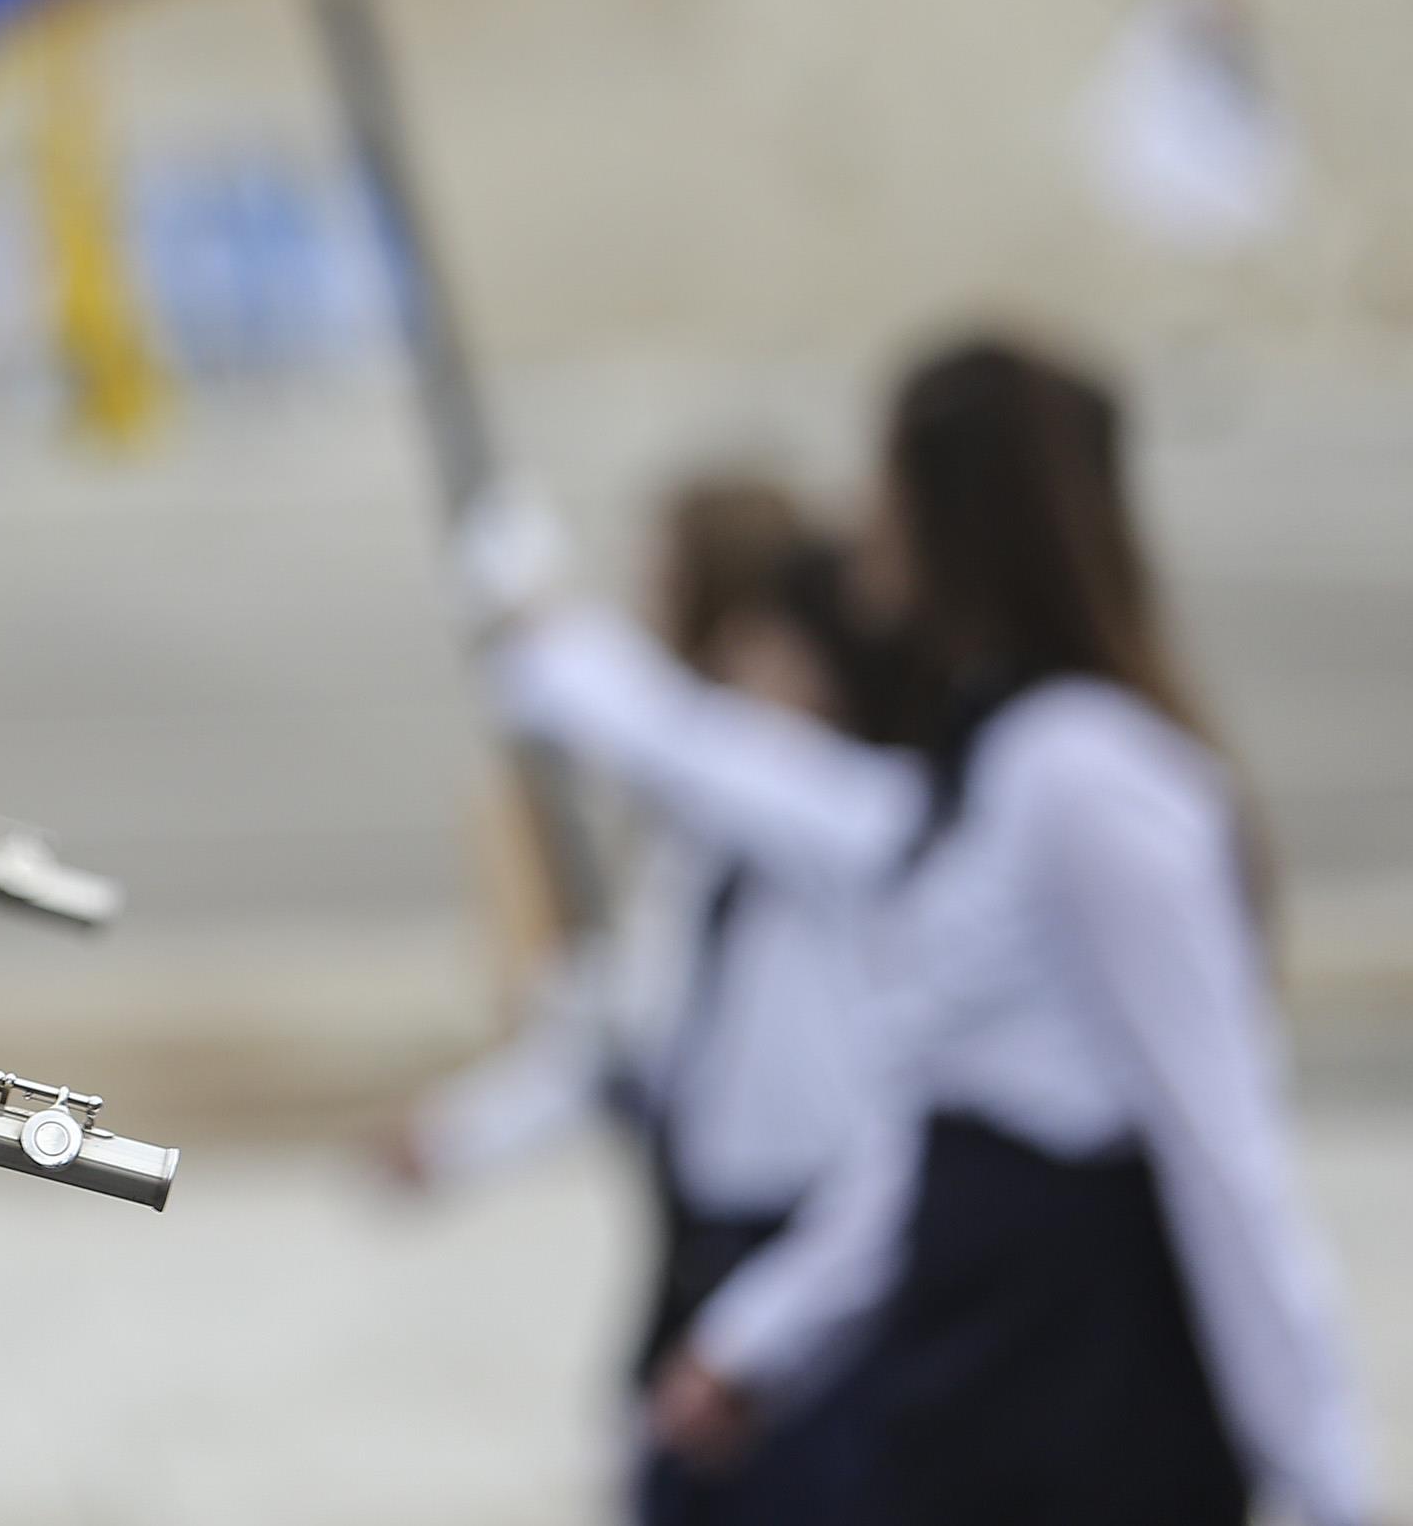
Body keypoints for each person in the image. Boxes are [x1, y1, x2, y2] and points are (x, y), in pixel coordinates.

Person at [479, 338, 1379, 1526]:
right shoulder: (991, 767)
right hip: (967, 1392)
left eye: (886, 480)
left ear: (956, 513)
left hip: (1079, 1400)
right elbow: (939, 1127)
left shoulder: (1087, 776)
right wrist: (764, 1334)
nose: (862, 521)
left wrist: (1324, 1474)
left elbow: (1219, 1143)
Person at [393, 475, 886, 1526]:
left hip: (817, 1258)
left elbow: (668, 737)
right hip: (701, 1245)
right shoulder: (710, 834)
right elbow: (631, 1031)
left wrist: (539, 617)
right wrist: (460, 1135)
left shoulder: (848, 815)